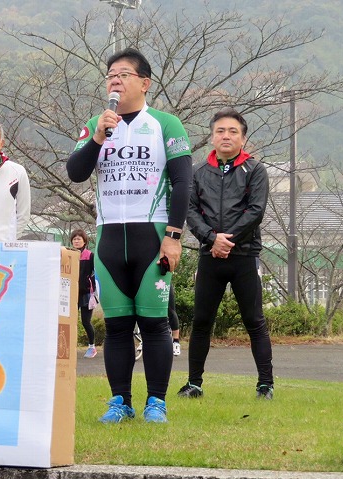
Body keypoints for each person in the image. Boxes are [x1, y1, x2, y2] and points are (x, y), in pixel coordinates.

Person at [66, 48, 193, 423]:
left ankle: (157, 402)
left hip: (152, 235)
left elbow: (183, 183)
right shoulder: (97, 124)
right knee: (117, 326)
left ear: (144, 82)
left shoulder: (166, 124)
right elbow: (75, 172)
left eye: (123, 74)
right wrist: (97, 138)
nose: (115, 81)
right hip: (108, 238)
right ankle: (120, 401)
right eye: (110, 75)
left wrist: (173, 235)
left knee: (154, 323)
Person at [178, 107, 274, 400]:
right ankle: (194, 383)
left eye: (233, 131)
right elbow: (190, 211)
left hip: (244, 255)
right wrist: (211, 239)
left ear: (243, 138)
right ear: (212, 137)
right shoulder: (198, 172)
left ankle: (265, 385)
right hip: (210, 256)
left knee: (254, 321)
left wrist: (226, 241)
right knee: (201, 322)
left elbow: (255, 211)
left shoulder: (255, 170)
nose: (226, 136)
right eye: (220, 131)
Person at [70, 228, 98, 359]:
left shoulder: (90, 255)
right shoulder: (69, 255)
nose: (76, 241)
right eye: (74, 239)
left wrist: (91, 284)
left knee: (86, 321)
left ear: (84, 241)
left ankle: (92, 347)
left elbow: (96, 272)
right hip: (71, 293)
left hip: (87, 294)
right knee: (70, 321)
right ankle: (70, 346)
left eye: (79, 239)